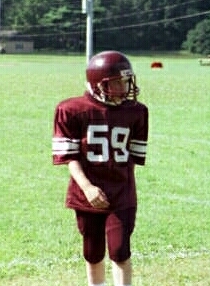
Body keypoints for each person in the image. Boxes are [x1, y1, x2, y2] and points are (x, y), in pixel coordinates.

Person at [52, 50, 149, 286]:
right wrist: (87, 188)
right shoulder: (71, 110)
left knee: (120, 251)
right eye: (117, 83)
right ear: (97, 84)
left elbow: (133, 160)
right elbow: (69, 156)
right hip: (86, 192)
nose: (125, 88)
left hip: (121, 193)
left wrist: (123, 188)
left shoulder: (136, 111)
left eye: (127, 81)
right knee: (93, 252)